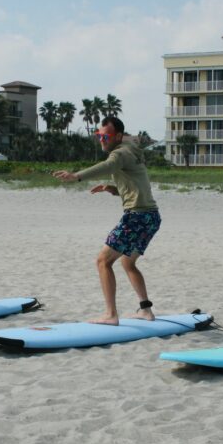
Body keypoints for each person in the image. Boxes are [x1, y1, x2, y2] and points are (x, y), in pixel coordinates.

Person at [53, 116, 160, 325]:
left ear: (118, 136)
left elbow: (107, 165)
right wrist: (113, 189)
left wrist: (77, 176)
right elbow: (137, 187)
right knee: (128, 262)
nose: (101, 139)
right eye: (99, 135)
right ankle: (146, 310)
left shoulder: (120, 153)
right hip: (152, 217)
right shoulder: (131, 150)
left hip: (137, 217)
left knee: (103, 261)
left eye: (105, 136)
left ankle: (111, 314)